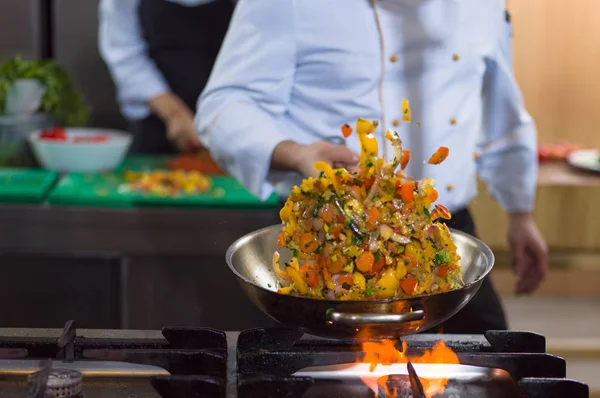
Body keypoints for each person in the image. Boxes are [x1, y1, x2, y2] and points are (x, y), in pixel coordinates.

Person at [196, 0, 549, 333]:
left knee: (497, 372)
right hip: (320, 241)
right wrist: (296, 152)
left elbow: (502, 111)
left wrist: (521, 213)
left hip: (441, 238)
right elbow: (223, 107)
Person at [98, 0, 233, 154]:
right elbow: (123, 52)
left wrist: (224, 113)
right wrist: (174, 115)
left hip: (225, 118)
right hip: (154, 120)